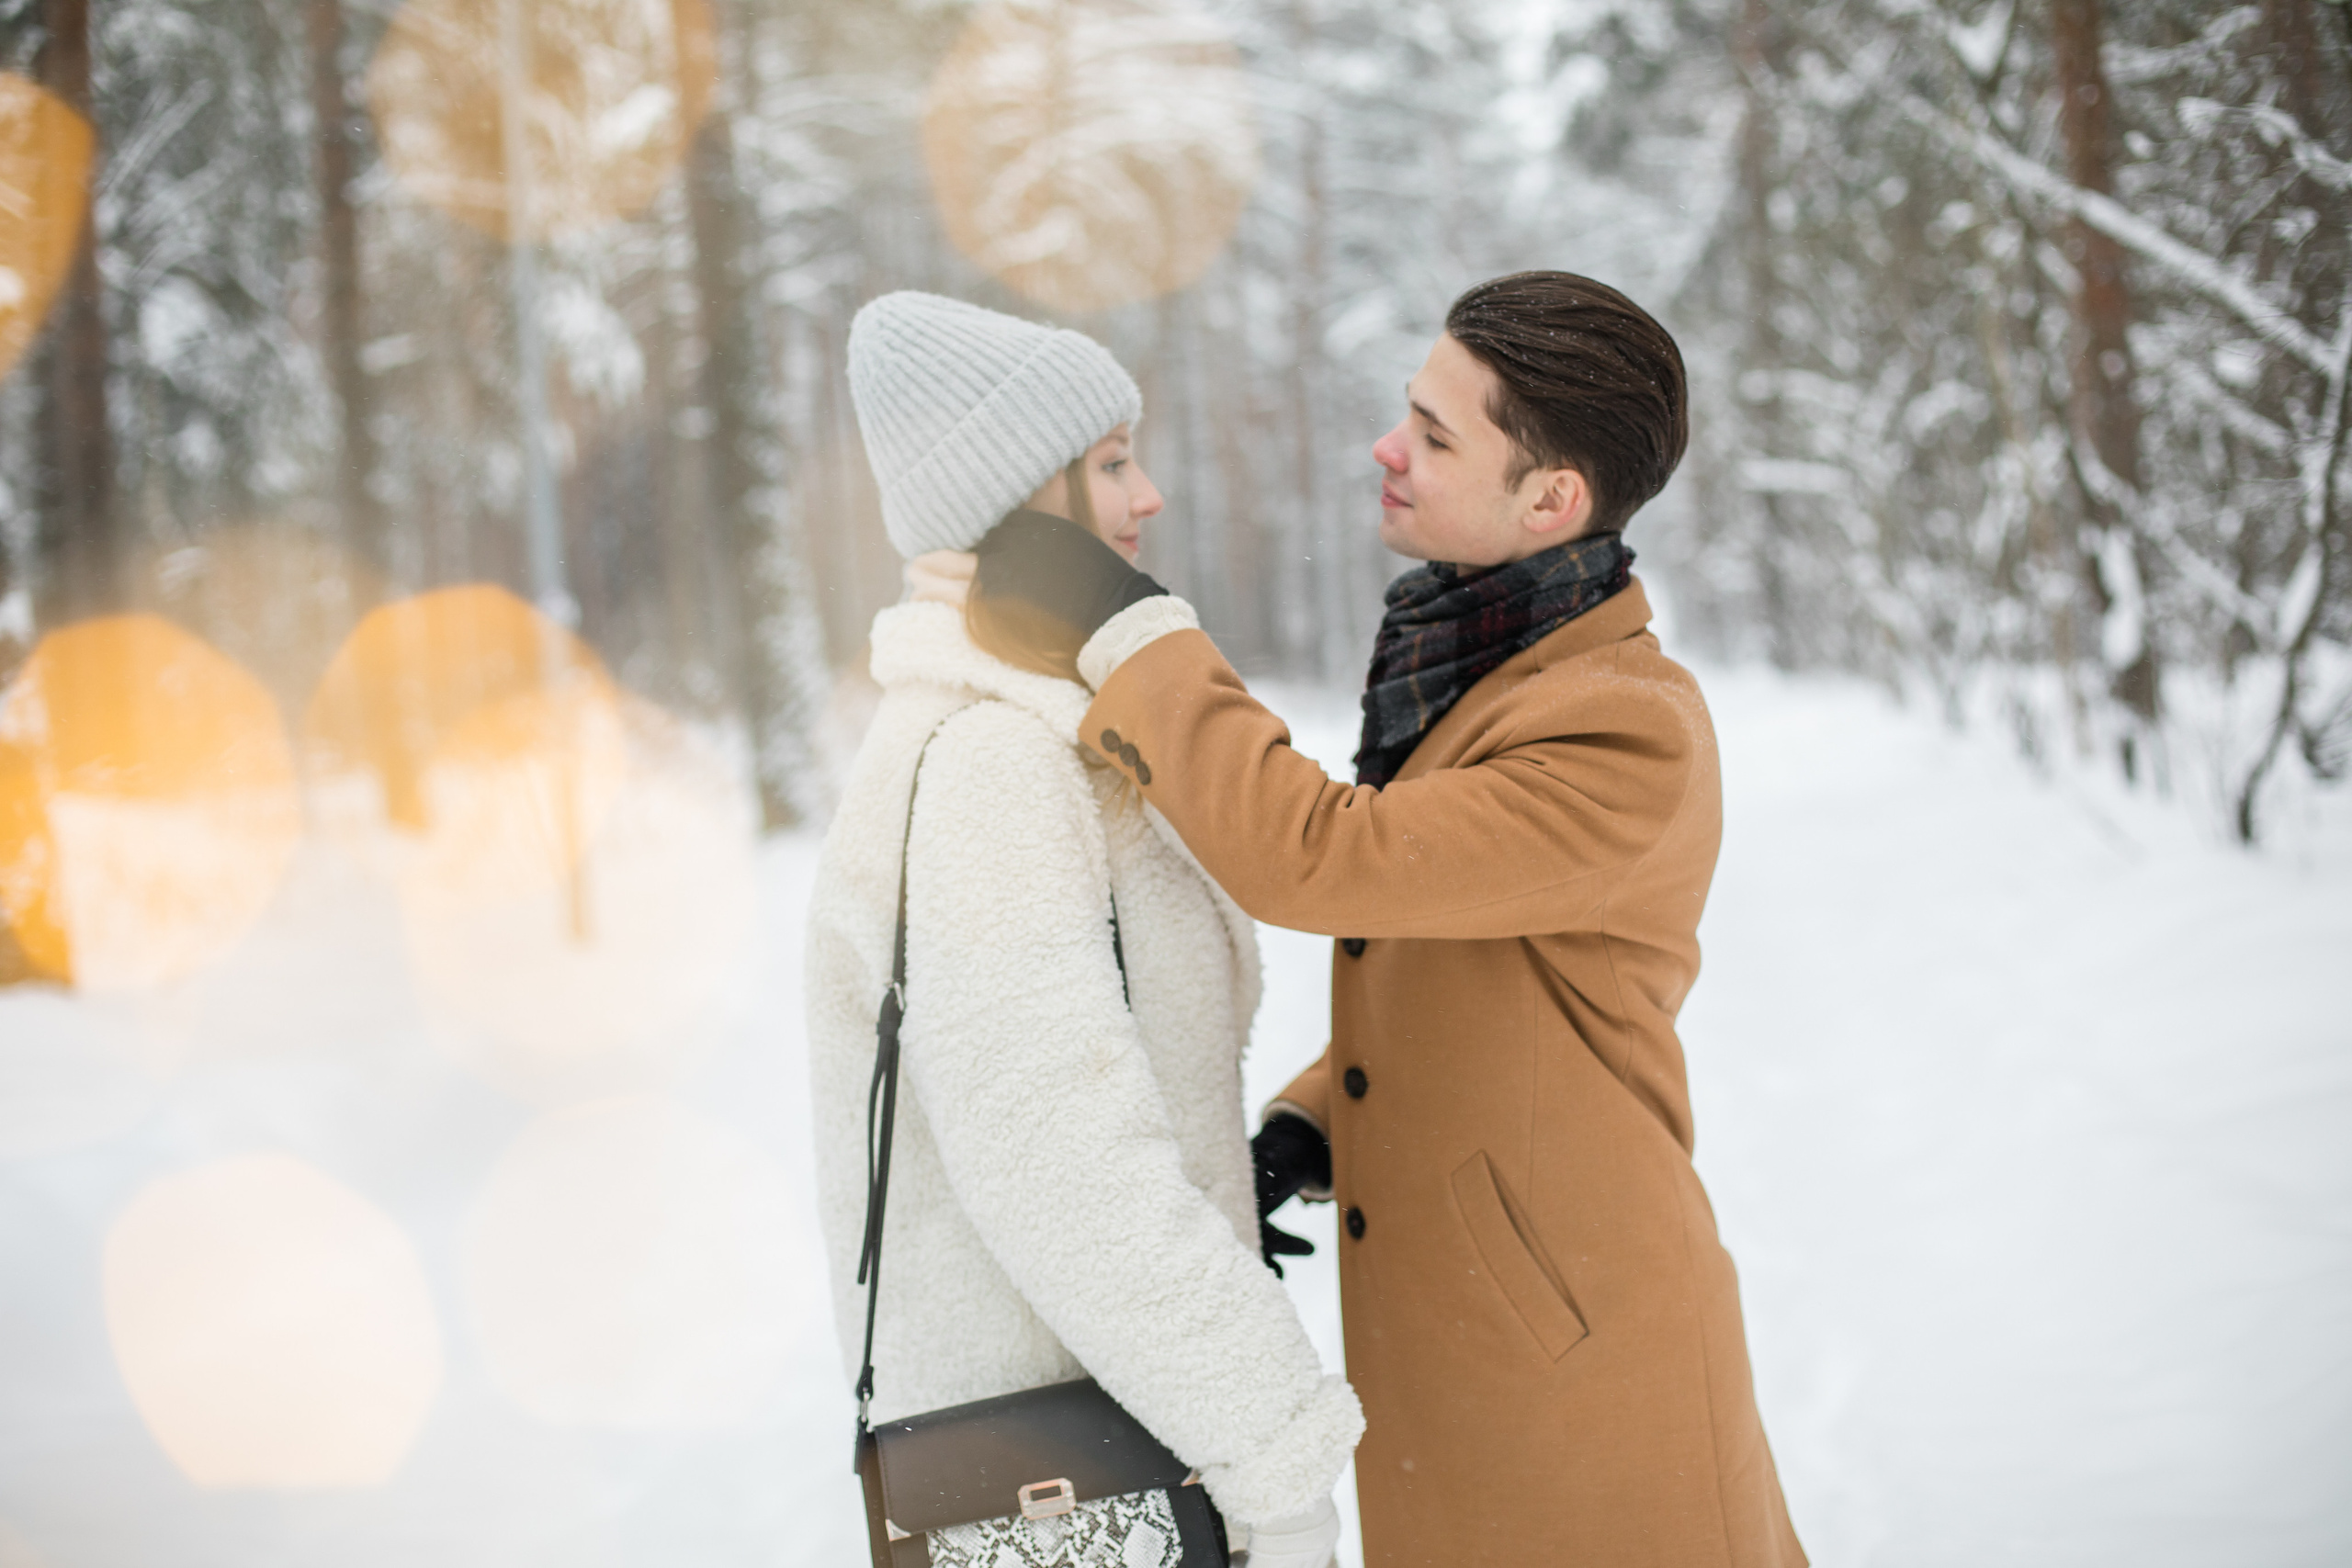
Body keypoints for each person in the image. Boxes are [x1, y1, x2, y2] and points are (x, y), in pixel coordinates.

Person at [914, 273, 1807, 1567]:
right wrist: (1311, 1120)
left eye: (1437, 438)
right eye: (1410, 413)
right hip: (1479, 1346)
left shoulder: (1624, 729)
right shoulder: (1480, 663)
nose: (1389, 449)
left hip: (1584, 1369)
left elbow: (1318, 857)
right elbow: (1475, 987)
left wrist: (1132, 633)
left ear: (1551, 499)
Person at [804, 291, 1361, 1568]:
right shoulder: (994, 761)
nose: (1149, 494)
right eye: (1110, 463)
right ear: (1020, 501)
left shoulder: (1033, 732)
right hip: (1079, 1484)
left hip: (1117, 1434)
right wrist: (1277, 1457)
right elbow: (1064, 1171)